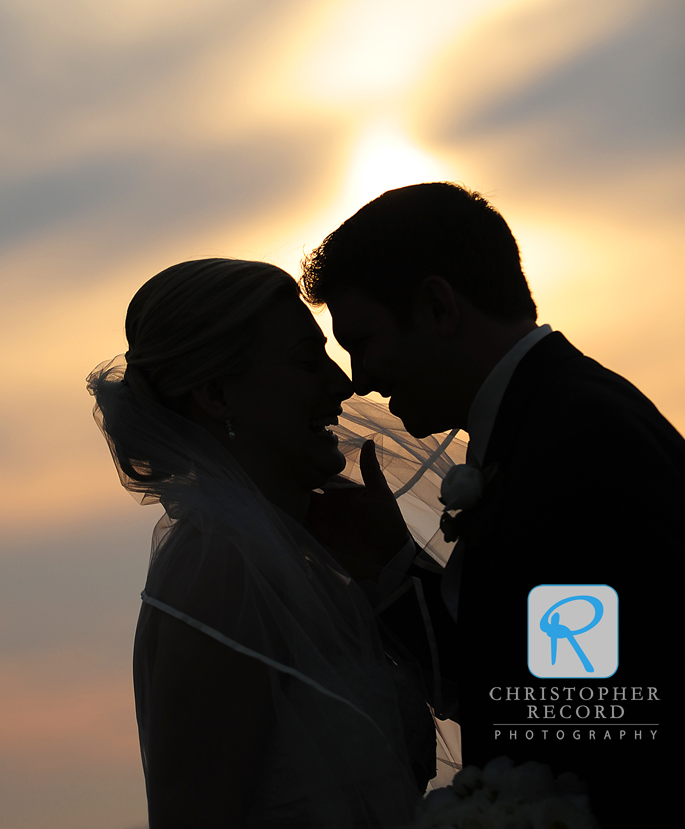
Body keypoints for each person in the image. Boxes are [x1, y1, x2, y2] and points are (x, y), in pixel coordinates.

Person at [300, 181, 685, 825]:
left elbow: (611, 709)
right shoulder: (543, 423)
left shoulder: (579, 441)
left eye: (362, 341)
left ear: (438, 307)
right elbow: (537, 667)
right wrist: (392, 560)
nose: (358, 381)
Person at [87, 258, 441, 829]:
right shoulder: (219, 570)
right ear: (218, 394)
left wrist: (392, 563)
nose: (343, 384)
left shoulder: (305, 562)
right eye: (307, 362)